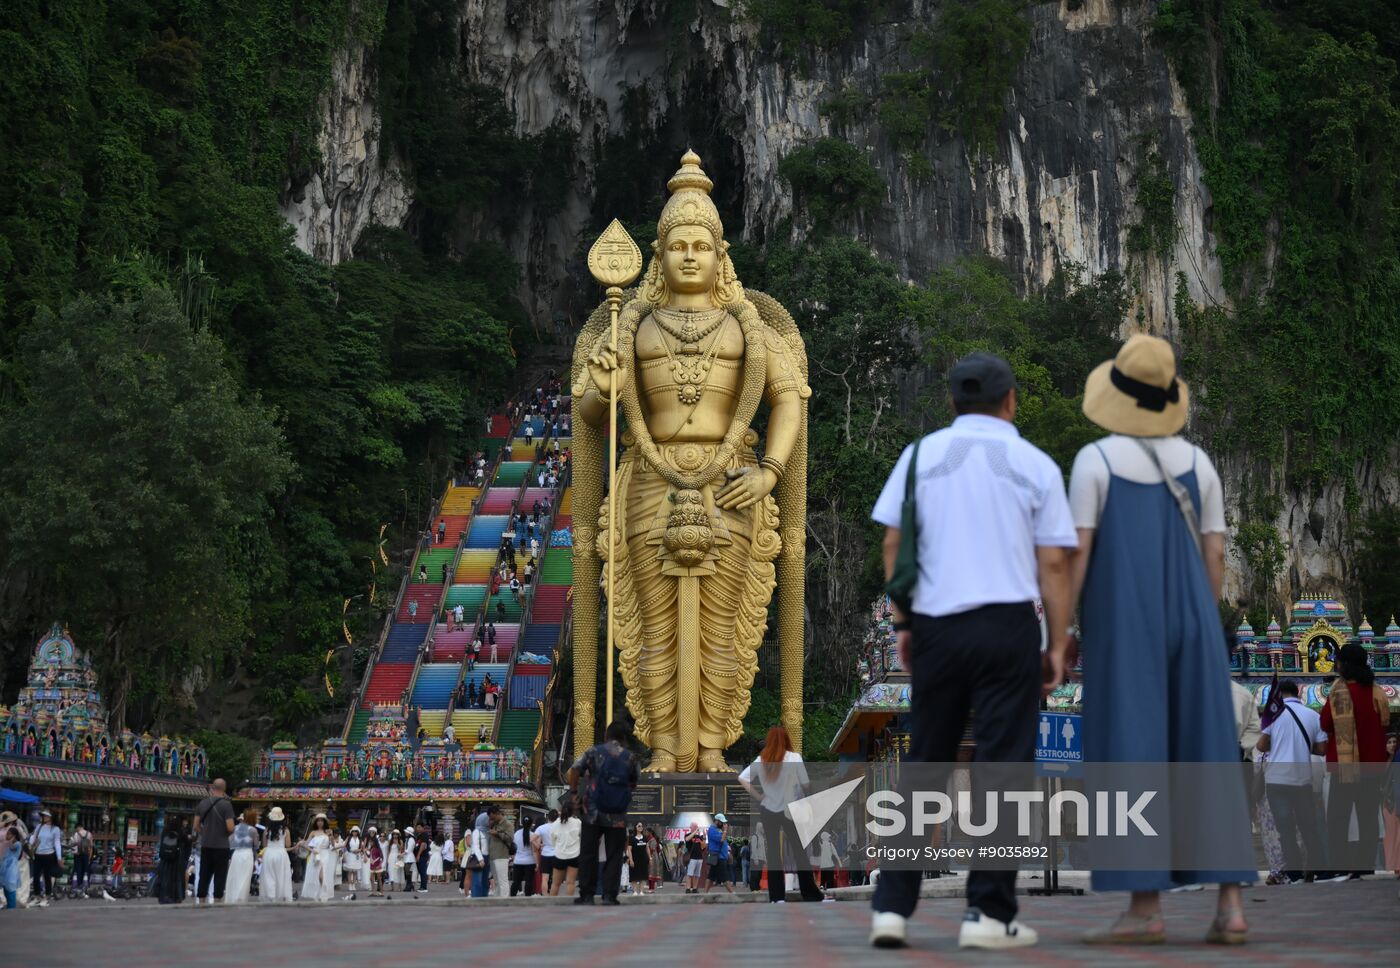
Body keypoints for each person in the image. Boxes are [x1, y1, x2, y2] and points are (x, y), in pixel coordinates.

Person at [867, 352, 1075, 951]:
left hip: (936, 626)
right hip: (1008, 626)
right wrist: (1056, 642)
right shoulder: (1035, 464)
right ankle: (987, 913)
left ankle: (891, 907)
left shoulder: (919, 458)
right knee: (1003, 768)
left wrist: (904, 623)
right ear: (1011, 402)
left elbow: (893, 542)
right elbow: (1055, 563)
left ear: (952, 403)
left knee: (925, 763)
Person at [1069, 335, 1253, 943]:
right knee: (1207, 753)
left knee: (1131, 752)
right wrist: (1200, 619)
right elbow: (1216, 554)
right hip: (1195, 616)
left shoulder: (1095, 462)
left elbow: (1080, 553)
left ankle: (1146, 908)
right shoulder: (1200, 465)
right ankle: (1229, 907)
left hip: (1124, 621)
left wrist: (1065, 629)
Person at [1318, 642, 1391, 877]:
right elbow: (1384, 724)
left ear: (1344, 664)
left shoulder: (1339, 691)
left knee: (1338, 819)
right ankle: (1365, 866)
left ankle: (1340, 868)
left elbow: (1325, 724)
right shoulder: (1377, 691)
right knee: (1368, 818)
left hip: (1343, 766)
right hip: (1372, 767)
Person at [736, 726, 825, 903]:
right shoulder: (794, 758)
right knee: (799, 851)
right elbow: (806, 783)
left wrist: (759, 795)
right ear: (786, 740)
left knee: (774, 854)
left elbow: (742, 778)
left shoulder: (762, 759)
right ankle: (811, 894)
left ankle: (776, 897)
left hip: (768, 809)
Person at [1256, 679, 1328, 883]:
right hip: (1302, 780)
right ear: (1298, 694)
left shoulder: (1272, 715)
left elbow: (1261, 746)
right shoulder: (1314, 715)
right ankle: (1319, 871)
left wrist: (1277, 744)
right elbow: (1322, 750)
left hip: (1277, 781)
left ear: (1279, 695)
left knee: (1286, 830)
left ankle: (1294, 874)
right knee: (1309, 827)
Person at [569, 720, 639, 905]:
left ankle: (587, 895)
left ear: (607, 735)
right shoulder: (630, 757)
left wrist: (575, 793)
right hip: (617, 815)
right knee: (615, 854)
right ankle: (609, 895)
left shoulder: (593, 752)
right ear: (623, 739)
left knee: (588, 852)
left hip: (592, 811)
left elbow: (575, 769)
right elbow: (633, 783)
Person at [225, 808, 261, 904]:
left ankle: (232, 897)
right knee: (245, 877)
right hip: (247, 854)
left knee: (235, 876)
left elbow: (229, 842)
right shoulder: (253, 830)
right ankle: (241, 898)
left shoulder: (235, 828)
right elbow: (256, 847)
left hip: (236, 854)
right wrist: (256, 860)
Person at [27, 808, 62, 903]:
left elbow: (57, 843)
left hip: (49, 855)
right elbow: (33, 836)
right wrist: (30, 844)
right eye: (43, 815)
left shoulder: (55, 829)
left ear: (51, 817)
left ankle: (47, 895)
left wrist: (59, 857)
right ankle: (37, 895)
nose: (44, 817)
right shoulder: (39, 826)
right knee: (35, 876)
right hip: (37, 854)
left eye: (46, 815)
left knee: (47, 876)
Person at [298, 814, 335, 901]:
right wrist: (312, 851)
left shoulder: (328, 832)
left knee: (323, 876)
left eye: (322, 821)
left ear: (324, 822)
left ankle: (324, 894)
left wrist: (331, 836)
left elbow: (333, 845)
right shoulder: (313, 832)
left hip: (325, 854)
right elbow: (306, 844)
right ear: (316, 822)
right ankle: (317, 894)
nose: (320, 823)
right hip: (315, 854)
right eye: (318, 821)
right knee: (315, 875)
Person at [156, 816, 192, 904]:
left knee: (165, 878)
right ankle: (176, 897)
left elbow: (161, 844)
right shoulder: (181, 832)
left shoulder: (165, 831)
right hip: (177, 860)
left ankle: (163, 896)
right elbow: (188, 844)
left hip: (165, 859)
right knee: (176, 879)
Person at [549, 800, 582, 897]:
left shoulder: (555, 824)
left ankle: (551, 905)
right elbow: (580, 836)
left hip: (559, 855)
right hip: (574, 855)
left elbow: (553, 839)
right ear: (573, 811)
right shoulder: (578, 822)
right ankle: (568, 905)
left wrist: (557, 847)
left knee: (555, 884)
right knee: (570, 883)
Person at [260, 807, 293, 902]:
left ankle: (271, 896)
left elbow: (264, 845)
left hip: (269, 853)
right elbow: (288, 844)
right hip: (281, 854)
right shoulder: (285, 830)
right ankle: (280, 895)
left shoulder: (267, 830)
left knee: (269, 875)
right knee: (282, 875)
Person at [488, 807, 514, 897]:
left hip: (502, 855)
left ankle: (505, 899)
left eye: (493, 817)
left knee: (503, 879)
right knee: (496, 880)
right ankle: (497, 898)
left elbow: (510, 838)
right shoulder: (494, 824)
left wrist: (497, 834)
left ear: (498, 814)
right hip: (493, 855)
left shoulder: (507, 824)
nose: (492, 819)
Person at [705, 815, 734, 894]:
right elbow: (721, 839)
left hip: (720, 856)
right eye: (722, 822)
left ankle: (705, 893)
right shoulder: (712, 830)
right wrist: (725, 830)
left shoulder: (717, 829)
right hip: (719, 857)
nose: (723, 824)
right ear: (716, 821)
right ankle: (732, 893)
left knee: (711, 876)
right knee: (724, 876)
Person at [533, 809, 558, 897]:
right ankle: (553, 896)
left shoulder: (541, 828)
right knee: (555, 879)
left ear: (548, 817)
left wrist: (539, 845)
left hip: (545, 855)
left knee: (545, 878)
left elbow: (531, 839)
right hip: (557, 855)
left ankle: (545, 896)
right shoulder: (560, 827)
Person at [511, 816, 537, 896]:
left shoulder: (516, 834)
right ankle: (528, 898)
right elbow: (534, 851)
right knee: (529, 881)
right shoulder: (533, 835)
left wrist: (513, 859)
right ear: (531, 824)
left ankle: (512, 898)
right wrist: (537, 863)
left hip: (518, 861)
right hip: (530, 861)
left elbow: (513, 848)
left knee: (516, 882)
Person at [467, 813, 490, 898]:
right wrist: (481, 859)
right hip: (479, 858)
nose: (489, 821)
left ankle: (484, 897)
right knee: (477, 881)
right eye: (488, 820)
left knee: (485, 881)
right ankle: (476, 898)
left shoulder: (488, 831)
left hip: (487, 857)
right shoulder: (477, 831)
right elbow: (475, 846)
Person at [683, 822, 707, 894]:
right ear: (691, 827)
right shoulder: (687, 835)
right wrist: (694, 833)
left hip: (699, 858)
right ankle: (688, 888)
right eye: (695, 826)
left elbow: (703, 846)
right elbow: (687, 839)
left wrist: (705, 836)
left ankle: (695, 888)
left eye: (697, 826)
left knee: (697, 874)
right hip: (692, 858)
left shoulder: (699, 837)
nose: (697, 827)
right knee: (690, 874)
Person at [1, 827, 22, 909]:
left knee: (10, 886)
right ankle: (9, 903)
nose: (7, 835)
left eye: (9, 834)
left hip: (12, 868)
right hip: (5, 867)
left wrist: (10, 840)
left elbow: (12, 847)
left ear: (14, 835)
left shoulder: (17, 844)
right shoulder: (8, 843)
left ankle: (12, 906)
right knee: (5, 886)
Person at [69, 823, 93, 890]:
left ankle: (79, 884)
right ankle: (86, 884)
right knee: (86, 869)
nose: (76, 830)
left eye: (76, 828)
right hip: (86, 854)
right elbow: (91, 847)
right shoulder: (89, 834)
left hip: (78, 854)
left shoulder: (76, 834)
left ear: (78, 827)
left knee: (78, 869)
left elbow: (72, 845)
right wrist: (89, 857)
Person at [629, 823, 650, 896]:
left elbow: (647, 848)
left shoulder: (644, 837)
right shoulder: (632, 838)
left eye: (642, 826)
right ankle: (635, 891)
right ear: (635, 827)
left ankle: (641, 891)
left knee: (643, 875)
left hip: (643, 859)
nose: (641, 827)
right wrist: (631, 860)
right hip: (635, 859)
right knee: (634, 875)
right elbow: (629, 850)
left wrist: (649, 857)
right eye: (639, 826)